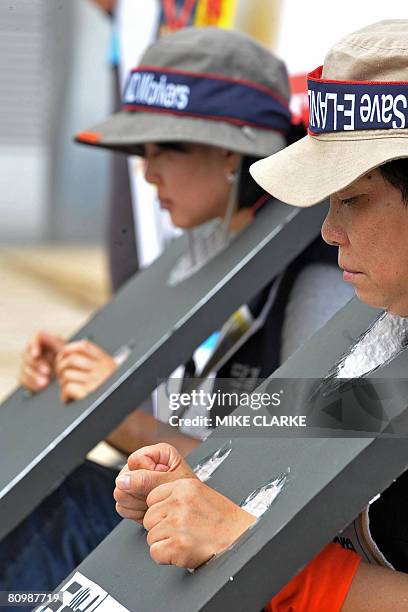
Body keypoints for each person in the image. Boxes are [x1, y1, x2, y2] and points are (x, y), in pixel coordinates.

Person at [1, 27, 351, 598]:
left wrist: (119, 415)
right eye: (143, 151)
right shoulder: (203, 258)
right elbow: (207, 415)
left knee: (49, 514)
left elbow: (292, 474)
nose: (147, 172)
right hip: (183, 526)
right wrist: (68, 382)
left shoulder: (318, 283)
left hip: (241, 560)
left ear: (232, 155)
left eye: (168, 147)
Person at [113, 19, 408, 610]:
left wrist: (259, 553)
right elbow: (298, 448)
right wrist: (192, 487)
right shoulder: (380, 331)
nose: (328, 232)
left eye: (351, 199)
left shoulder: (327, 296)